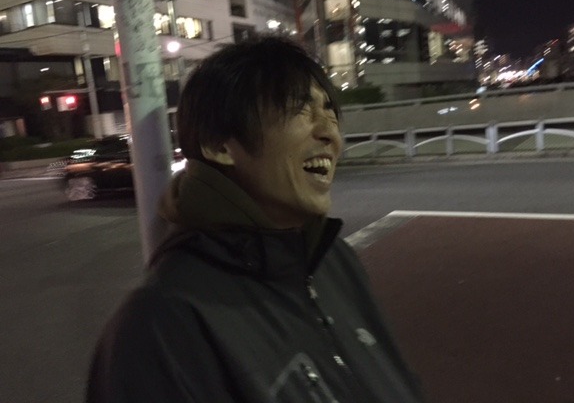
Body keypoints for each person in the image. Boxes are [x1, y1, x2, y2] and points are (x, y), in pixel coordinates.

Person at [86, 36, 425, 402]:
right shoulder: (160, 324)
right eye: (298, 109)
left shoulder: (335, 259)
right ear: (219, 145)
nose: (329, 131)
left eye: (329, 110)